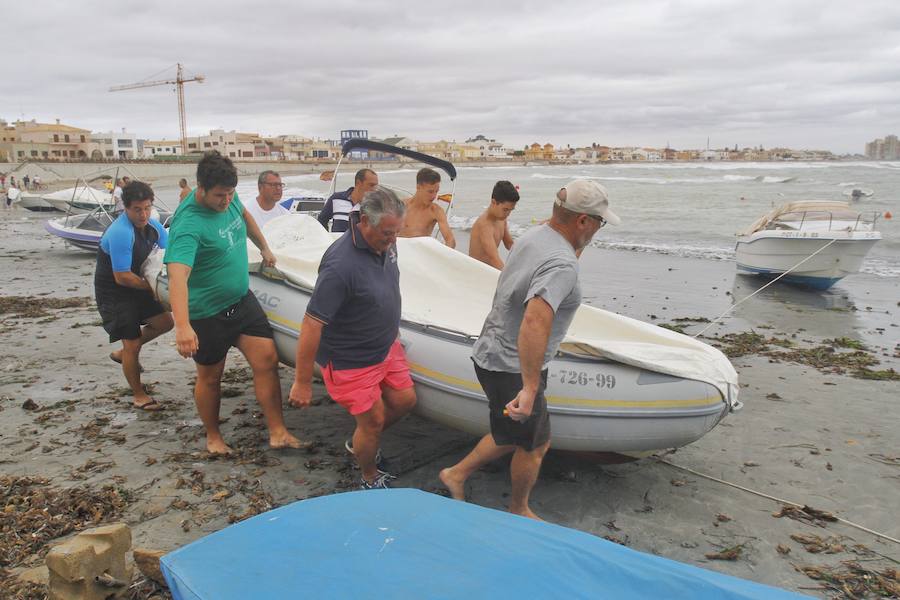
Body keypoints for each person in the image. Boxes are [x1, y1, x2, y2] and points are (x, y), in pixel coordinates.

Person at [440, 179, 620, 519]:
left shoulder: (537, 236)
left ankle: (456, 474)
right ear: (582, 221)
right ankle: (518, 509)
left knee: (511, 431)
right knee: (535, 444)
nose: (600, 228)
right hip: (512, 365)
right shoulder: (562, 265)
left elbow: (554, 261)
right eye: (600, 221)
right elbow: (535, 322)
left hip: (493, 351)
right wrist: (530, 386)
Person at [164, 151, 305, 455]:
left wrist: (264, 247)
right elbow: (177, 276)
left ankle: (278, 432)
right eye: (219, 195)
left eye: (230, 193)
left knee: (266, 360)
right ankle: (213, 437)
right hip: (207, 313)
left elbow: (244, 216)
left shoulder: (230, 199)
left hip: (241, 300)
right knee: (211, 377)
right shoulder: (188, 225)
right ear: (201, 188)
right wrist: (183, 326)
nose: (226, 201)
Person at [290, 186, 417, 489]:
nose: (393, 240)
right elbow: (311, 324)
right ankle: (369, 476)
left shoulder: (387, 241)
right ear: (363, 221)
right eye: (387, 233)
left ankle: (360, 441)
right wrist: (303, 380)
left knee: (404, 401)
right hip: (350, 359)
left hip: (386, 346)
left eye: (397, 232)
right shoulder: (339, 266)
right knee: (371, 422)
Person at [94, 181, 174, 411]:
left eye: (147, 207)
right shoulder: (120, 233)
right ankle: (139, 395)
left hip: (138, 283)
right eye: (137, 209)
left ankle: (122, 353)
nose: (143, 214)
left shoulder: (155, 227)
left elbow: (167, 256)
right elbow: (121, 277)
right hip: (115, 291)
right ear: (126, 208)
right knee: (132, 344)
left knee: (165, 322)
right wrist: (152, 289)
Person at [398, 168, 456, 247]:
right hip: (398, 252)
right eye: (430, 191)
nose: (434, 196)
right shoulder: (400, 206)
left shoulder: (436, 211)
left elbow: (450, 240)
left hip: (419, 253)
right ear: (418, 187)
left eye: (436, 191)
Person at [468, 181, 519, 269]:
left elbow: (509, 244)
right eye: (505, 209)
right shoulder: (484, 225)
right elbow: (494, 259)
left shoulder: (501, 219)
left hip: (490, 269)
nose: (508, 214)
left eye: (511, 210)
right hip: (477, 272)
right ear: (493, 202)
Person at [317, 168, 378, 233]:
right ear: (358, 183)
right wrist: (328, 238)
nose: (375, 189)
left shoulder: (373, 206)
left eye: (376, 186)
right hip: (338, 242)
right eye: (371, 185)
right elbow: (321, 220)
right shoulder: (336, 199)